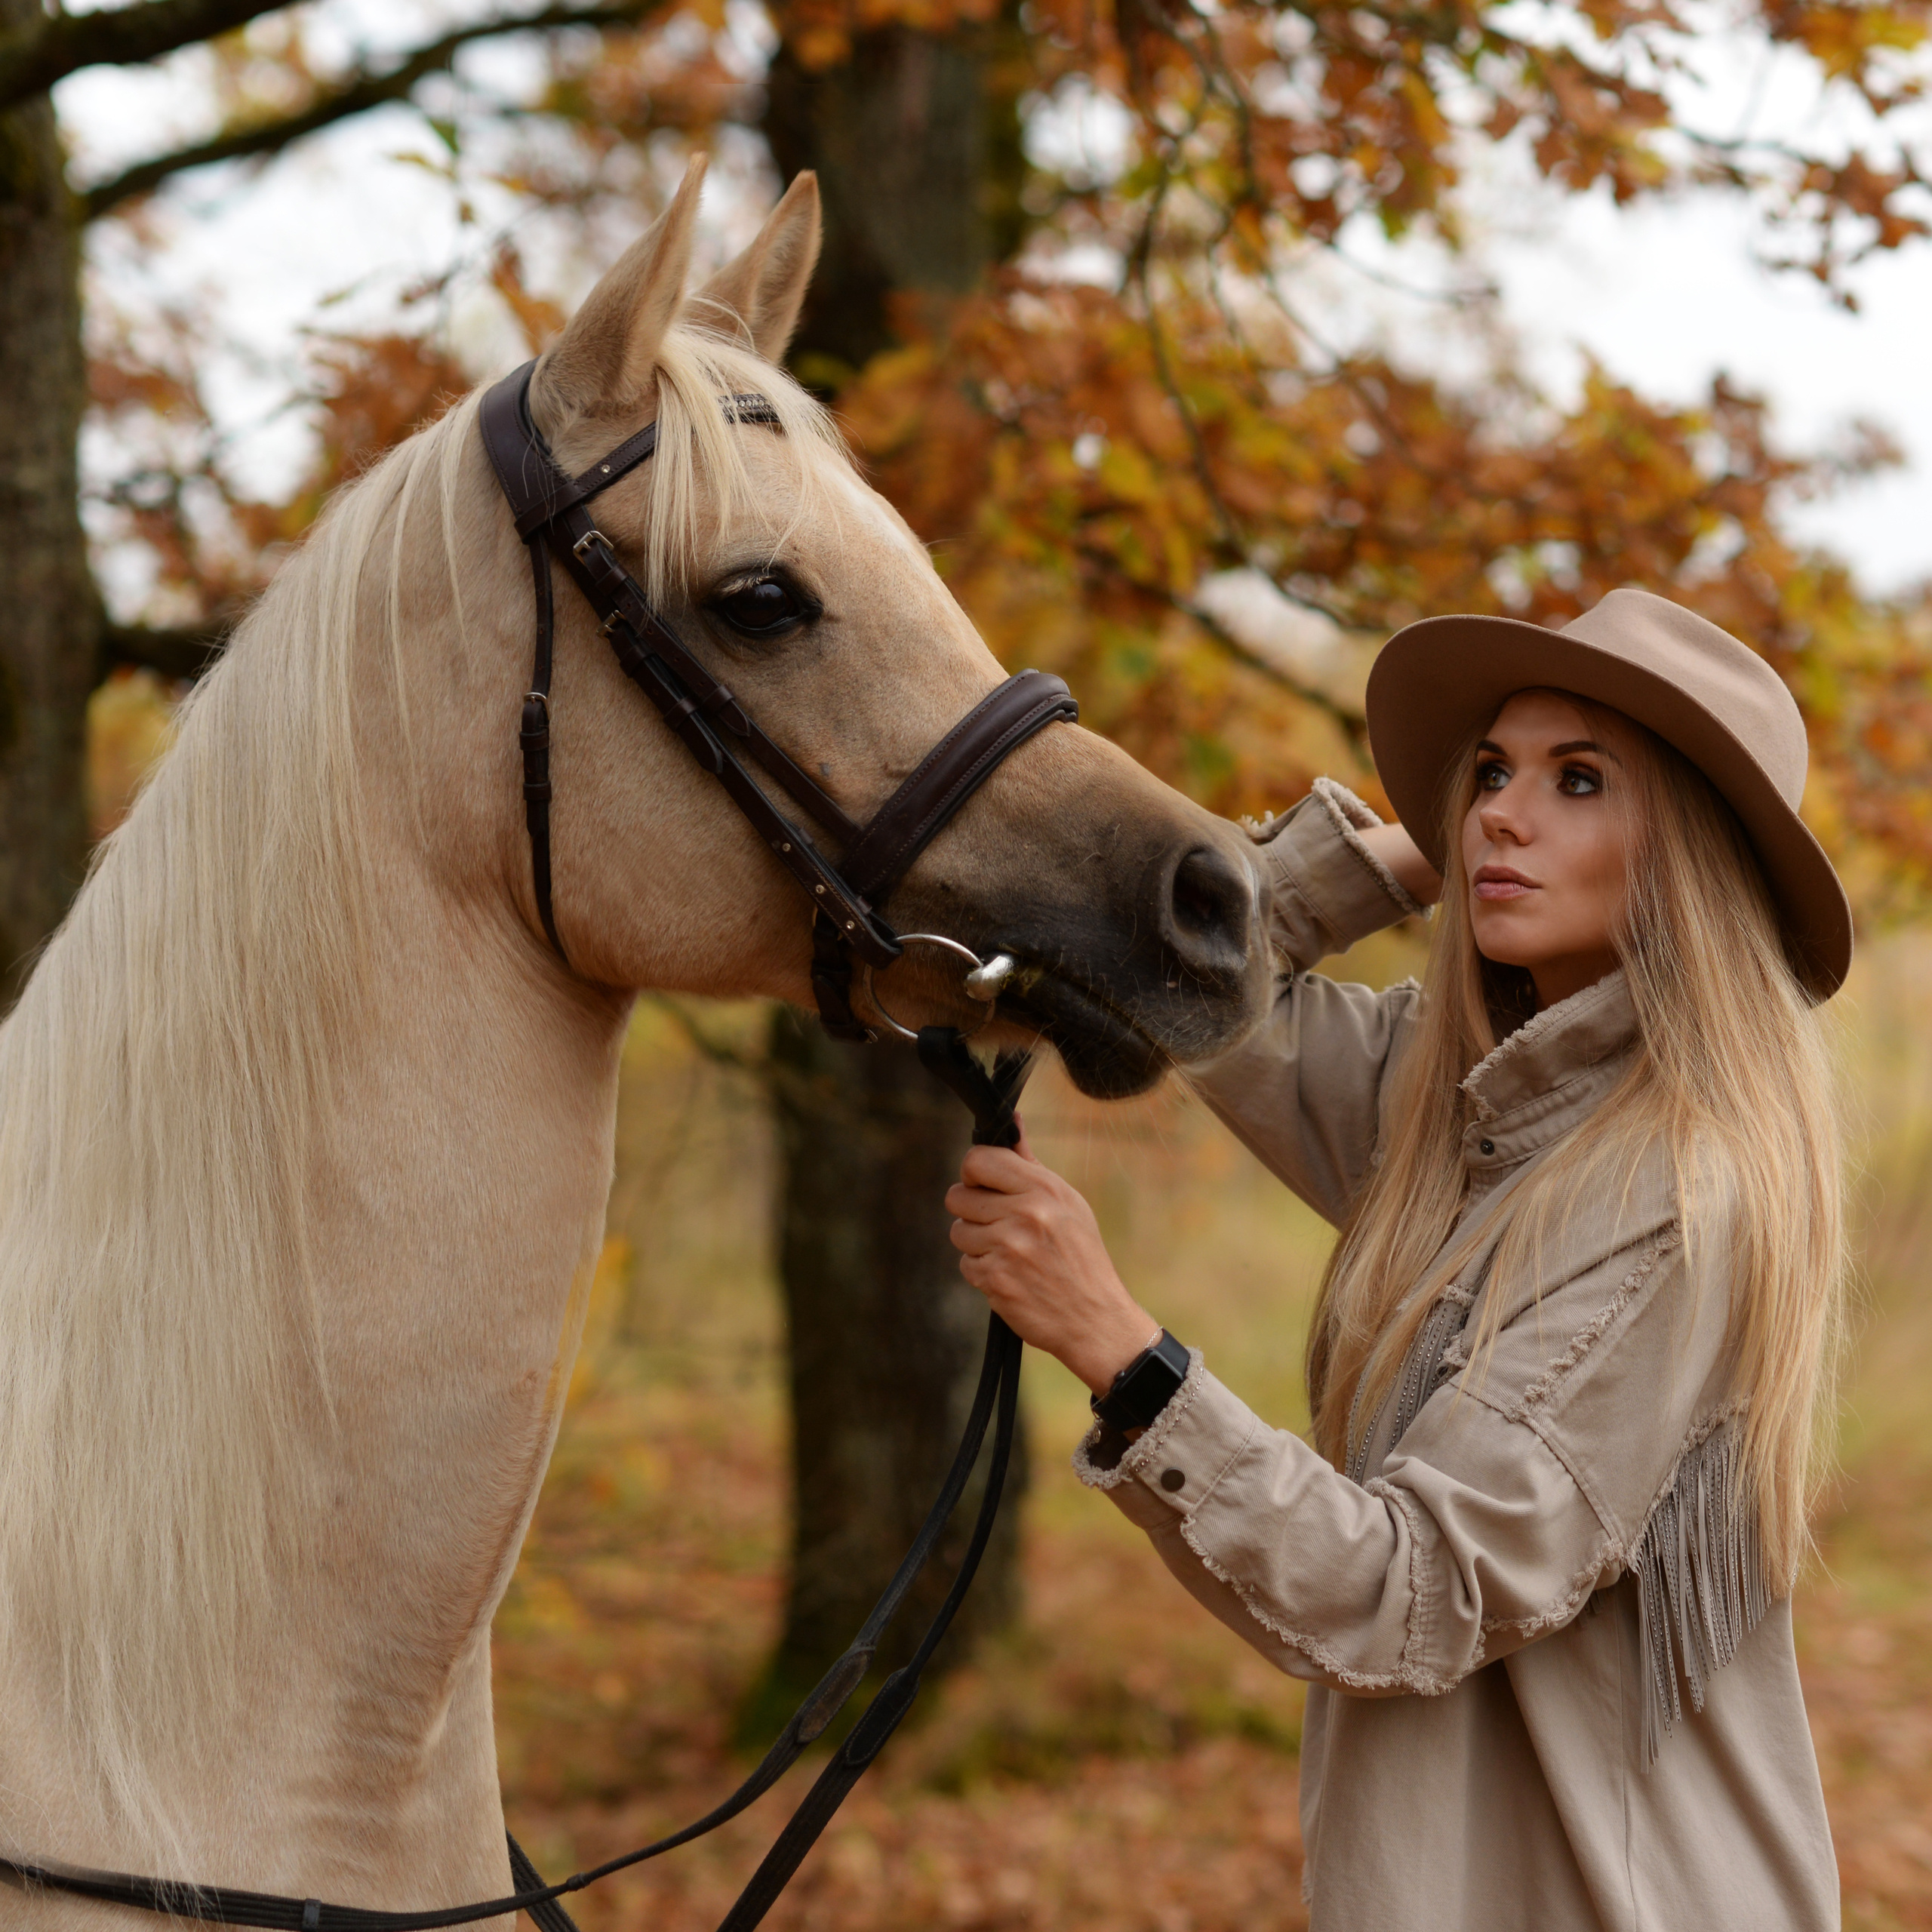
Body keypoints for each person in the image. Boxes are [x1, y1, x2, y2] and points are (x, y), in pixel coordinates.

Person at [945, 589, 1850, 1930]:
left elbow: (1407, 1594)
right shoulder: (1456, 1111)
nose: (1501, 815)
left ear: (1692, 863)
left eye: (1579, 779)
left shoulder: (1676, 1196)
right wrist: (1397, 855)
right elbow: (1186, 968)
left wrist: (1123, 1354)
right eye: (1489, 773)